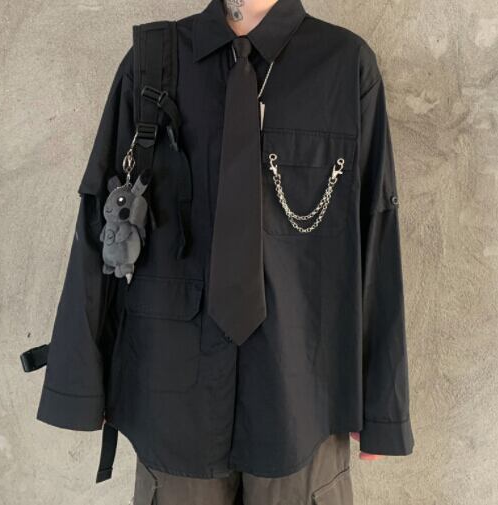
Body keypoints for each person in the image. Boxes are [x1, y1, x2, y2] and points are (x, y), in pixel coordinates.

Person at [36, 0, 415, 503]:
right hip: (170, 399)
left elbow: (376, 230)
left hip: (301, 399)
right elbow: (99, 219)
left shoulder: (345, 67)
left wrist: (382, 409)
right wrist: (81, 380)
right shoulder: (153, 61)